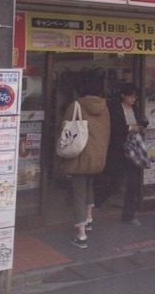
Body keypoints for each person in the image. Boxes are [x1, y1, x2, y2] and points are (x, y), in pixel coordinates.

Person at [59, 75, 109, 249]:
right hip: (97, 156)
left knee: (78, 193)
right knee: (89, 186)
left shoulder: (76, 106)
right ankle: (88, 219)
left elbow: (65, 130)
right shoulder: (104, 108)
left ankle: (81, 235)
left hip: (80, 156)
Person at [100, 82, 149, 225]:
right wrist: (129, 128)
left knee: (133, 183)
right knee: (115, 183)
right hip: (118, 149)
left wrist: (140, 128)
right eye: (130, 96)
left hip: (133, 150)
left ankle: (129, 215)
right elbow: (113, 128)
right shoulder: (113, 108)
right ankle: (95, 202)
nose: (133, 99)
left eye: (135, 96)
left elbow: (140, 122)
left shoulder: (136, 109)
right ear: (123, 96)